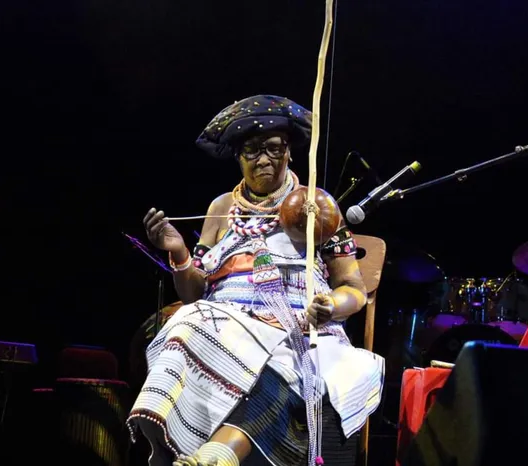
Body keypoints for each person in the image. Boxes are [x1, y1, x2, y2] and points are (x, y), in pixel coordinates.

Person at [127, 95, 385, 466]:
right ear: (238, 157)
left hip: (293, 328)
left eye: (274, 148)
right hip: (223, 328)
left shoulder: (315, 206)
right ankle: (177, 452)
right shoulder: (221, 208)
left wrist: (331, 305)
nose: (264, 159)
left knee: (272, 361)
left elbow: (354, 291)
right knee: (186, 321)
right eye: (251, 151)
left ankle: (213, 458)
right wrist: (179, 253)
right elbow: (193, 294)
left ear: (290, 153)